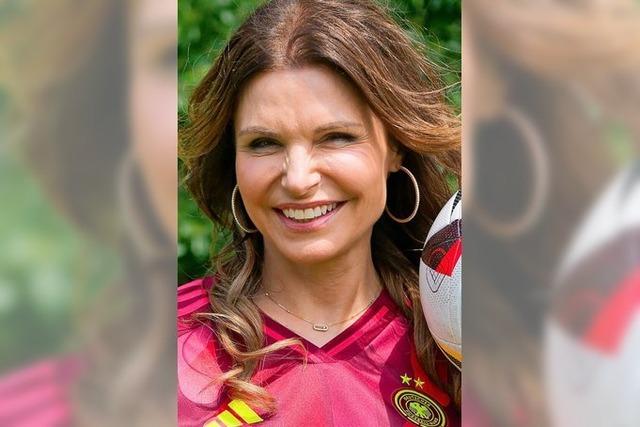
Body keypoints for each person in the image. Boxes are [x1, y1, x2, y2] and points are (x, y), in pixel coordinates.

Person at [179, 0, 461, 425]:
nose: (298, 179)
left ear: (396, 147)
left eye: (336, 137)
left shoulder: (458, 340)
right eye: (263, 143)